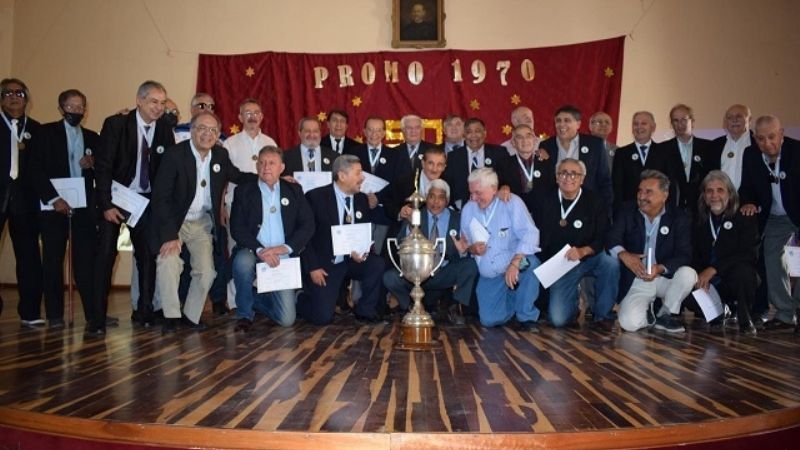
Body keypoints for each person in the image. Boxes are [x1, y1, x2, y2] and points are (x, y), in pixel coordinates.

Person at [150, 111, 255, 333]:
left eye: (213, 130)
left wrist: (269, 177)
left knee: (207, 271)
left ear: (218, 134)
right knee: (169, 261)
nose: (207, 134)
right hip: (175, 221)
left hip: (201, 222)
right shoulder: (174, 155)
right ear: (191, 131)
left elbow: (238, 176)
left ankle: (190, 317)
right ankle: (170, 316)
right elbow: (161, 197)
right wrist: (170, 235)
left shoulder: (220, 155)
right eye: (202, 129)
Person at [94, 80, 175, 335]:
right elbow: (103, 166)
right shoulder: (116, 124)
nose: (158, 108)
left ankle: (144, 311)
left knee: (147, 258)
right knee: (106, 257)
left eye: (162, 103)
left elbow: (166, 171)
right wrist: (105, 204)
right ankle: (96, 318)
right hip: (115, 200)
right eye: (153, 101)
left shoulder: (164, 128)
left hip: (144, 203)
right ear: (139, 101)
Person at [28, 89, 98, 329]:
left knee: (85, 263)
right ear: (61, 109)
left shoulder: (91, 137)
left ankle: (92, 314)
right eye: (71, 107)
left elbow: (103, 170)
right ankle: (55, 314)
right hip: (53, 208)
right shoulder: (45, 133)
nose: (76, 111)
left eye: (80, 107)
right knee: (53, 261)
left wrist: (93, 163)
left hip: (83, 208)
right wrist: (53, 198)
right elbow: (34, 169)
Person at [230, 146, 314, 331]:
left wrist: (285, 248)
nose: (266, 167)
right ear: (257, 166)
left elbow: (307, 225)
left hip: (283, 256)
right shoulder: (243, 191)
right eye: (262, 162)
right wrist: (260, 250)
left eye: (271, 163)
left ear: (282, 167)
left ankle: (254, 297)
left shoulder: (294, 190)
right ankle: (244, 314)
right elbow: (237, 228)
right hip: (253, 250)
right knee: (242, 262)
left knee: (286, 320)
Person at [298, 154, 386, 325]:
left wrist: (363, 251)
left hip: (352, 259)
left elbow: (363, 233)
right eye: (358, 173)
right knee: (322, 318)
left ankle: (365, 310)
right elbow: (305, 236)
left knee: (376, 264)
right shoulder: (316, 197)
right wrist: (313, 267)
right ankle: (300, 297)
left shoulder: (361, 199)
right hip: (325, 263)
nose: (362, 178)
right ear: (342, 175)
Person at [534, 159, 619, 330]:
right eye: (563, 173)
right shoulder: (544, 199)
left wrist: (584, 251)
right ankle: (574, 308)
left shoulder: (595, 201)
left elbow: (603, 235)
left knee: (610, 263)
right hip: (561, 264)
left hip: (588, 257)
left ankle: (603, 314)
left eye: (574, 174)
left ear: (582, 178)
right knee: (558, 320)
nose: (568, 177)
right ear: (557, 177)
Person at [608, 170, 697, 333]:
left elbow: (685, 254)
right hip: (638, 276)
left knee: (688, 274)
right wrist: (624, 255)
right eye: (640, 191)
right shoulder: (627, 210)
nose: (642, 196)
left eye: (648, 192)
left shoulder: (679, 217)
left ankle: (666, 313)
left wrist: (660, 268)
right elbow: (612, 239)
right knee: (629, 324)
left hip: (664, 277)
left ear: (665, 195)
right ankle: (649, 313)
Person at [383, 179, 477, 325]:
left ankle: (455, 307)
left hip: (444, 272)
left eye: (441, 198)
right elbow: (399, 243)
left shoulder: (457, 219)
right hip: (416, 274)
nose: (435, 202)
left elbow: (465, 248)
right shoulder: (415, 215)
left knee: (470, 265)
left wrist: (463, 251)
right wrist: (409, 225)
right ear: (426, 198)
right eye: (432, 196)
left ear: (447, 200)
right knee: (390, 277)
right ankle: (410, 306)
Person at [459, 168, 542, 331]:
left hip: (515, 263)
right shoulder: (469, 209)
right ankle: (513, 299)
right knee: (489, 320)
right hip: (490, 273)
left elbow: (531, 234)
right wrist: (472, 249)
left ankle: (526, 316)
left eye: (478, 193)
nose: (474, 198)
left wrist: (515, 262)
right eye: (471, 193)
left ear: (494, 189)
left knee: (531, 264)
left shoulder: (512, 202)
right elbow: (465, 243)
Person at [739, 115, 800, 331]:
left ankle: (798, 309)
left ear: (781, 134)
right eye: (761, 139)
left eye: (772, 137)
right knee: (771, 256)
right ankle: (784, 314)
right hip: (774, 216)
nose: (767, 143)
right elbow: (746, 186)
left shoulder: (797, 151)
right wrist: (748, 202)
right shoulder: (751, 154)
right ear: (755, 139)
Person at [218, 98, 280, 312]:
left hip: (266, 210)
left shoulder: (270, 141)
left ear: (262, 116)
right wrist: (220, 207)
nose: (252, 117)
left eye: (256, 113)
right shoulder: (230, 143)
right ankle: (236, 303)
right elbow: (223, 179)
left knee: (264, 253)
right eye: (247, 113)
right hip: (237, 208)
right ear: (240, 117)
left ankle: (258, 300)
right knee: (238, 254)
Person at [691, 171, 759, 335]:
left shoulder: (744, 216)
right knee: (686, 285)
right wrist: (697, 275)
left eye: (720, 190)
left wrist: (714, 269)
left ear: (730, 193)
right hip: (709, 282)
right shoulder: (698, 219)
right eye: (709, 191)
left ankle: (745, 319)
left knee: (744, 272)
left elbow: (748, 254)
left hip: (733, 277)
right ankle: (719, 313)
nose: (714, 195)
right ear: (704, 196)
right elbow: (692, 253)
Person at [1, 78, 42, 326]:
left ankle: (30, 312)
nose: (14, 97)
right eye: (7, 93)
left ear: (27, 98)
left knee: (28, 256)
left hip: (26, 202)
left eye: (19, 93)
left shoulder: (36, 129)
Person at [539, 105, 613, 214]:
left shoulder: (595, 144)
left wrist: (604, 210)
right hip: (555, 208)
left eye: (567, 120)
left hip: (588, 209)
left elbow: (604, 180)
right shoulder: (546, 145)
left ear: (578, 124)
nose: (561, 124)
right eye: (558, 121)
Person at [612, 111, 680, 211]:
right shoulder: (622, 153)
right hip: (630, 212)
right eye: (635, 124)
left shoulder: (665, 153)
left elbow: (671, 185)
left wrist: (670, 211)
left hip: (658, 210)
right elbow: (617, 187)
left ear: (653, 127)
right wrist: (618, 213)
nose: (639, 127)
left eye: (644, 123)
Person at [443, 117, 512, 209]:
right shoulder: (453, 157)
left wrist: (505, 187)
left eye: (477, 131)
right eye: (469, 132)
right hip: (463, 210)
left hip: (494, 208)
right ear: (464, 134)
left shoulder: (499, 153)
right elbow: (448, 186)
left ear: (484, 133)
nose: (473, 135)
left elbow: (508, 180)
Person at [661, 104, 713, 217]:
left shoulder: (708, 147)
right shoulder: (662, 149)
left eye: (684, 120)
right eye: (675, 120)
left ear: (692, 121)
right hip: (671, 209)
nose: (680, 124)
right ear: (671, 124)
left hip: (701, 209)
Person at [507, 124, 555, 209]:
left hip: (543, 211)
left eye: (528, 136)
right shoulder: (504, 164)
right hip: (516, 211)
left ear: (535, 140)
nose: (524, 140)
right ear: (513, 143)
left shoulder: (546, 162)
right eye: (519, 137)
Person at [708, 104, 753, 189]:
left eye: (739, 116)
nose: (734, 120)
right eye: (730, 117)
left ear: (749, 120)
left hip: (751, 201)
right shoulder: (714, 145)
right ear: (725, 122)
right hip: (722, 200)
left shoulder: (758, 144)